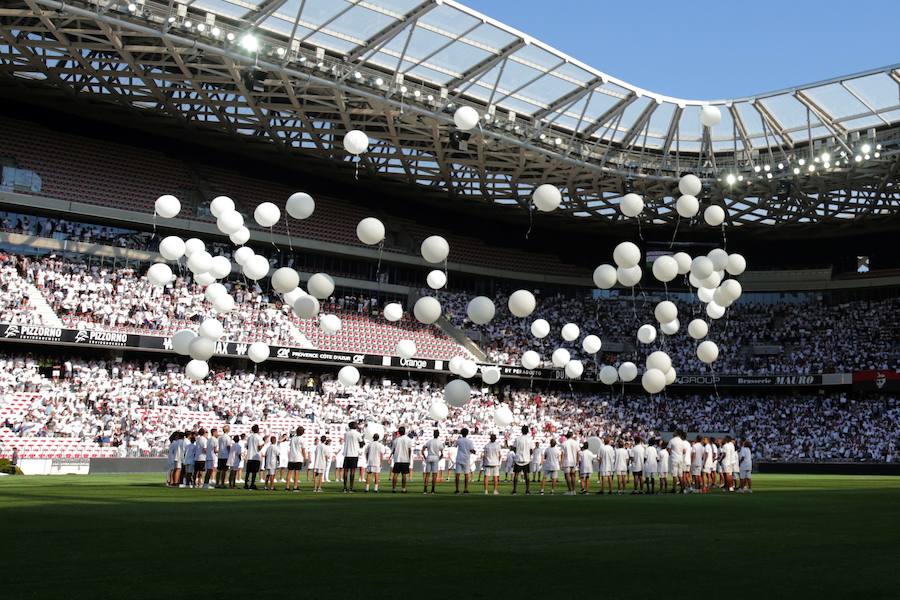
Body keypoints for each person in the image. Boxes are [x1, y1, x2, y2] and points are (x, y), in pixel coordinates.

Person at [341, 422, 364, 493]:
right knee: (352, 471)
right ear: (355, 426)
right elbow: (361, 444)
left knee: (345, 471)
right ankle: (351, 487)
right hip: (354, 454)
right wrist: (363, 441)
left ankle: (345, 487)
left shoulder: (346, 434)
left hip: (347, 454)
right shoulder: (357, 434)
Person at [511, 425, 534, 495]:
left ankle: (514, 490)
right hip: (526, 459)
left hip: (518, 459)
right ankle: (527, 490)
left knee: (516, 475)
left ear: (521, 430)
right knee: (527, 475)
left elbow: (514, 448)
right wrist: (528, 455)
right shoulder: (530, 439)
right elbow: (531, 450)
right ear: (527, 431)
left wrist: (518, 453)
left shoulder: (517, 438)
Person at [390, 426, 412, 493]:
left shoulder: (396, 440)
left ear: (399, 432)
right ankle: (403, 489)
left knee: (395, 474)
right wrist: (409, 458)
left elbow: (393, 450)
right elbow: (409, 450)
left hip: (397, 459)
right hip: (405, 459)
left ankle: (394, 489)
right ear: (404, 431)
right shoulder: (408, 439)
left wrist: (390, 457)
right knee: (404, 475)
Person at [453, 428, 476, 494]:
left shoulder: (459, 440)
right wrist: (474, 452)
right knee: (466, 474)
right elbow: (472, 450)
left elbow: (455, 445)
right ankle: (466, 489)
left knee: (457, 474)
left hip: (459, 458)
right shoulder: (470, 441)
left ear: (461, 433)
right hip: (466, 459)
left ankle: (457, 489)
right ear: (467, 433)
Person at [286, 426, 307, 492]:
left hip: (291, 457)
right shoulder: (302, 439)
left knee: (289, 472)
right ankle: (295, 487)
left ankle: (287, 486)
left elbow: (290, 447)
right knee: (296, 473)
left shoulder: (292, 438)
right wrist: (305, 458)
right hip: (298, 457)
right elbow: (303, 450)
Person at [422, 430, 444, 494]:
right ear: (438, 435)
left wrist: (425, 457)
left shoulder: (429, 441)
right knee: (434, 475)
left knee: (427, 474)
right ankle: (432, 490)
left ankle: (425, 490)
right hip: (435, 458)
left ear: (433, 434)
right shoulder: (439, 442)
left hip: (429, 457)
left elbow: (423, 449)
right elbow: (442, 454)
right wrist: (439, 459)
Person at [244, 424, 263, 490]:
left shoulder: (250, 437)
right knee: (254, 472)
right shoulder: (259, 437)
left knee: (248, 471)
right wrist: (263, 445)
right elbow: (259, 447)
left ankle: (246, 484)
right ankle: (252, 484)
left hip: (249, 456)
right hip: (256, 456)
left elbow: (247, 446)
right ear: (257, 430)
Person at [562, 431, 581, 496]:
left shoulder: (564, 443)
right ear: (572, 436)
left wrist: (561, 463)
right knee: (573, 475)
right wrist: (578, 461)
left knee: (567, 475)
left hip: (567, 461)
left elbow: (562, 454)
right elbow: (578, 452)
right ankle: (574, 490)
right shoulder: (575, 442)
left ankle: (570, 490)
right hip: (574, 461)